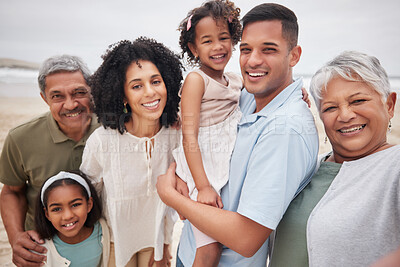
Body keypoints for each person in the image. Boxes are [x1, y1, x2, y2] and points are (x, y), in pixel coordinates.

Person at [157, 3, 318, 266]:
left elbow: (246, 238)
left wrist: (172, 197)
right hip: (189, 249)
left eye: (269, 49)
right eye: (246, 49)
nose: (253, 60)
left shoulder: (285, 131)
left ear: (294, 55)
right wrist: (179, 173)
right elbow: (196, 131)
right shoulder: (246, 97)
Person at [268, 51, 399, 267]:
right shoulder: (307, 167)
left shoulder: (395, 165)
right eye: (330, 107)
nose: (345, 115)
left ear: (390, 105)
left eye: (358, 101)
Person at [80, 37, 181, 267]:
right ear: (122, 95)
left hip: (155, 243)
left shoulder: (176, 136)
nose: (150, 92)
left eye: (156, 81)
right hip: (114, 243)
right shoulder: (102, 141)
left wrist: (165, 245)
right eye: (137, 86)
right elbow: (89, 197)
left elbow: (169, 205)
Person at [0, 55, 100, 267]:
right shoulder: (20, 138)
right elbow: (11, 191)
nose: (71, 104)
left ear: (92, 90)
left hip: (101, 245)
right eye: (57, 96)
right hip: (42, 252)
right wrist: (16, 237)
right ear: (44, 98)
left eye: (79, 93)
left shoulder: (112, 130)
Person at [172, 1, 242, 266]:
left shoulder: (235, 80)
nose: (218, 46)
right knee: (210, 247)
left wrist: (297, 91)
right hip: (201, 165)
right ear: (194, 48)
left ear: (233, 40)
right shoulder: (195, 80)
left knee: (219, 239)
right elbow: (189, 136)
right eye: (207, 41)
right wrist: (202, 186)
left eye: (224, 37)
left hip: (220, 161)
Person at [34, 171, 109, 266]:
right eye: (57, 209)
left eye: (75, 205)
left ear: (89, 204)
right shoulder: (38, 249)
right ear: (47, 214)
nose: (68, 216)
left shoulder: (103, 230)